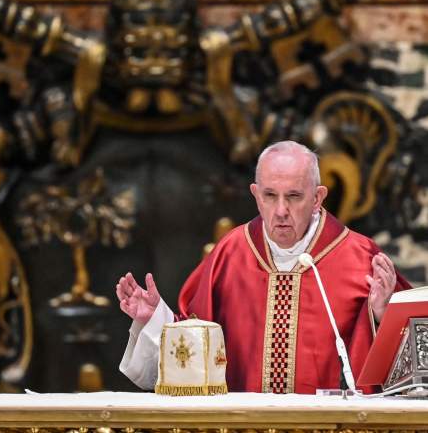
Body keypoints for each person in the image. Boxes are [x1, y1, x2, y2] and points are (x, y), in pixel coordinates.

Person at [116, 140, 410, 394]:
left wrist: (385, 315)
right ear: (256, 195)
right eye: (270, 196)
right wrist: (154, 319)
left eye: (294, 196)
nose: (281, 210)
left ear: (318, 197)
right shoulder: (230, 254)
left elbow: (414, 364)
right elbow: (195, 346)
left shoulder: (360, 258)